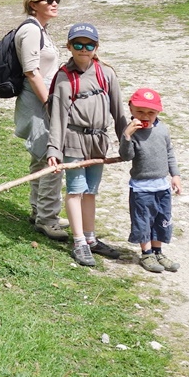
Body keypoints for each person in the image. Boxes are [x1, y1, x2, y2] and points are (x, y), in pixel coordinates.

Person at [45, 23, 130, 267]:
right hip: (73, 141)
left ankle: (91, 239)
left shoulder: (106, 73)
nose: (84, 49)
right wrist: (54, 150)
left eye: (89, 44)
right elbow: (58, 117)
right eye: (78, 44)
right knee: (75, 190)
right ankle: (79, 241)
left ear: (96, 47)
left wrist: (126, 141)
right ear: (69, 46)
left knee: (91, 190)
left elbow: (118, 112)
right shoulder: (64, 76)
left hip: (98, 141)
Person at [11, 0, 66, 240]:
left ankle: (39, 211)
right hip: (36, 103)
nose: (54, 4)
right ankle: (47, 219)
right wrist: (49, 104)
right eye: (48, 1)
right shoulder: (32, 31)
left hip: (37, 101)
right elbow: (32, 73)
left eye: (57, 0)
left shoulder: (39, 29)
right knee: (52, 160)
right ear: (33, 4)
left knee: (40, 158)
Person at [120, 87, 183, 273]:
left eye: (151, 112)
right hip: (141, 187)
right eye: (140, 111)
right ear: (131, 109)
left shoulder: (162, 129)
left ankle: (158, 251)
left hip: (162, 185)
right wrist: (127, 136)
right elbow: (126, 155)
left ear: (158, 111)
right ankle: (146, 253)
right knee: (143, 221)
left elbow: (169, 152)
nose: (145, 116)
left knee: (161, 219)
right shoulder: (132, 131)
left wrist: (175, 175)